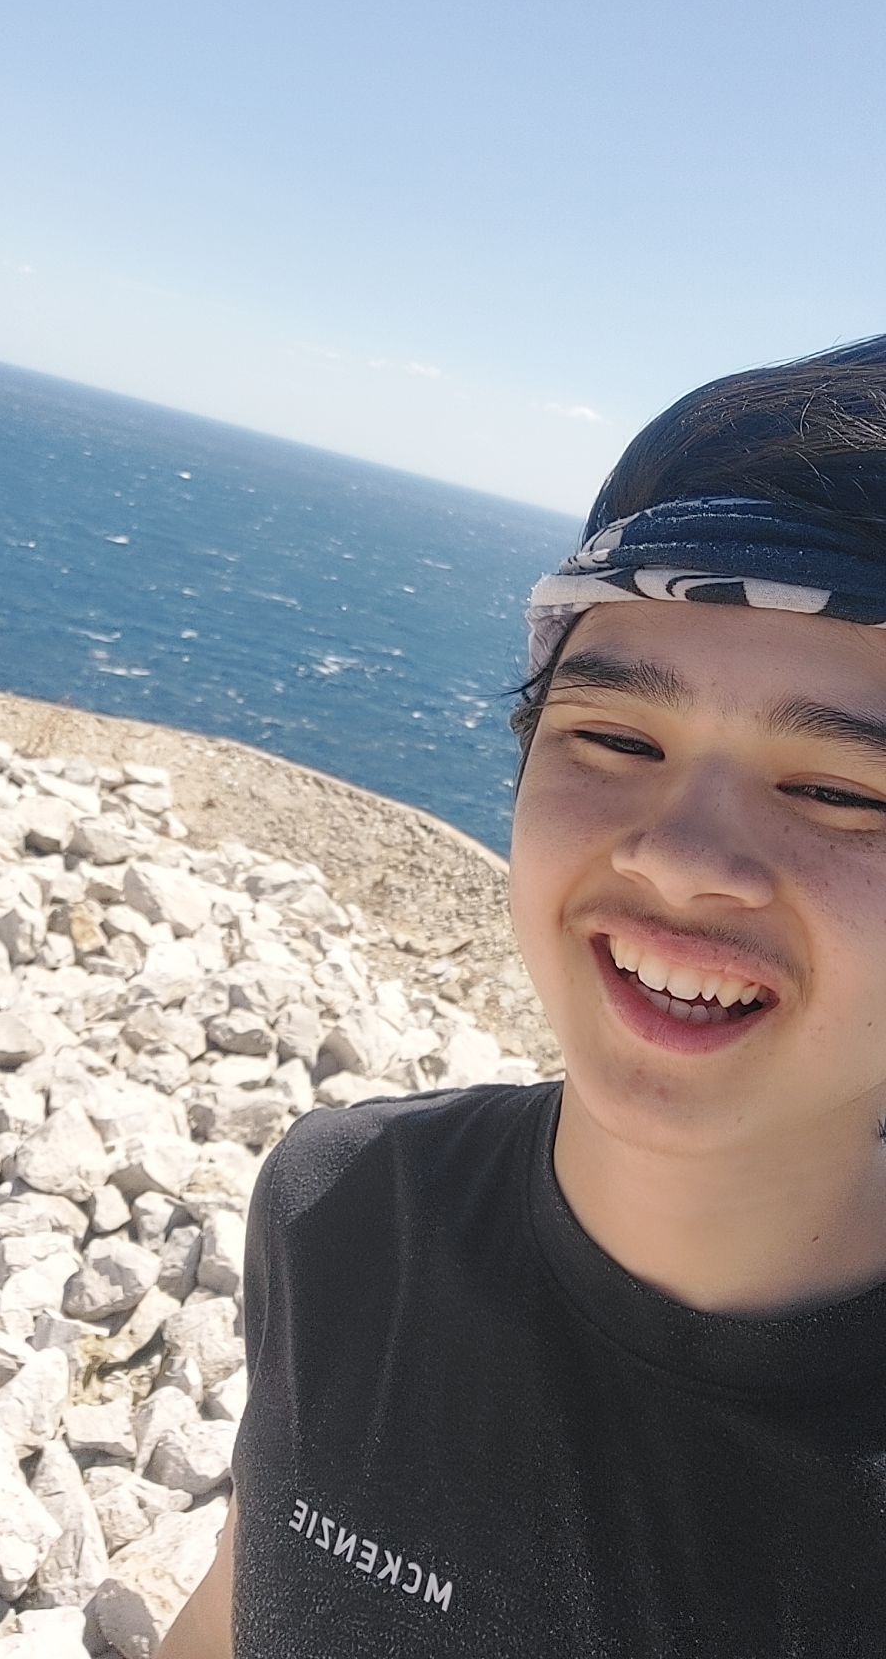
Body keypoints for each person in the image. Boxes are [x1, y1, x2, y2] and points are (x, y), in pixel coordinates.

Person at [160, 335, 886, 1657]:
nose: (678, 857)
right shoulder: (344, 1210)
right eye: (615, 737)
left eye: (837, 790)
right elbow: (232, 1616)